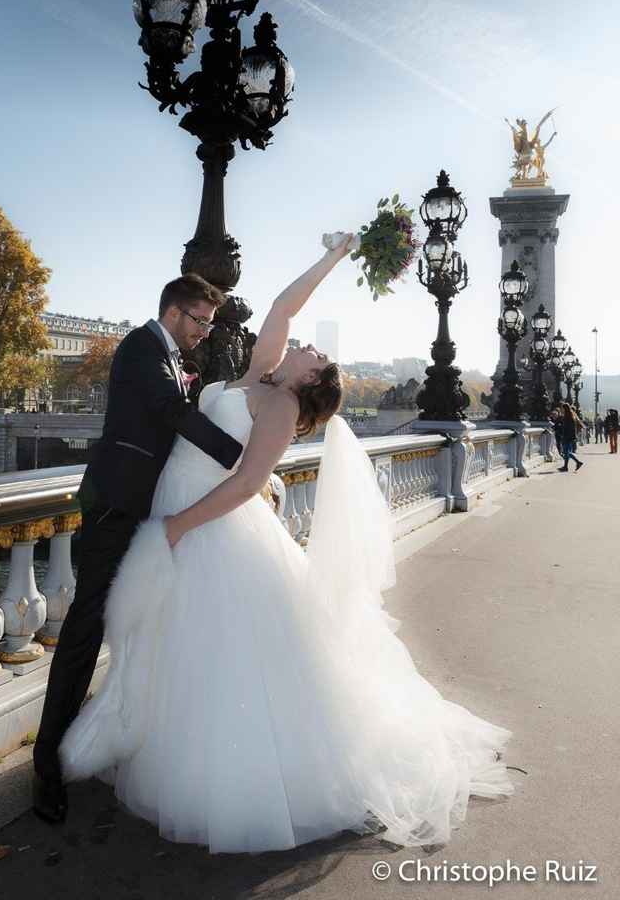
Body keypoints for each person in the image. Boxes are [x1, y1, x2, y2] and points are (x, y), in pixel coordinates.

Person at [59, 235, 514, 854]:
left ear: (311, 378)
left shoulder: (277, 404)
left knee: (214, 652)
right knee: (172, 644)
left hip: (207, 525)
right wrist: (333, 257)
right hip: (173, 507)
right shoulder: (257, 375)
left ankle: (226, 777)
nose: (307, 345)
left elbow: (248, 484)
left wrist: (179, 526)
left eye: (316, 354)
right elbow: (281, 307)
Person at [32, 273, 246, 823]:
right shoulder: (140, 347)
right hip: (114, 507)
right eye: (201, 321)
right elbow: (173, 412)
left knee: (145, 625)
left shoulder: (167, 353)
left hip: (143, 508)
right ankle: (46, 766)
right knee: (85, 631)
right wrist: (240, 458)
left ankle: (111, 737)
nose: (205, 332)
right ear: (175, 312)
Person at [558, 403, 583, 472]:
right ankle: (566, 467)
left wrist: (564, 435)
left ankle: (577, 462)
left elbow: (568, 428)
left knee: (566, 452)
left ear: (564, 409)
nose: (561, 410)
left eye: (562, 408)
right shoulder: (570, 415)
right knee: (566, 452)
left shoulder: (567, 417)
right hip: (570, 436)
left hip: (567, 437)